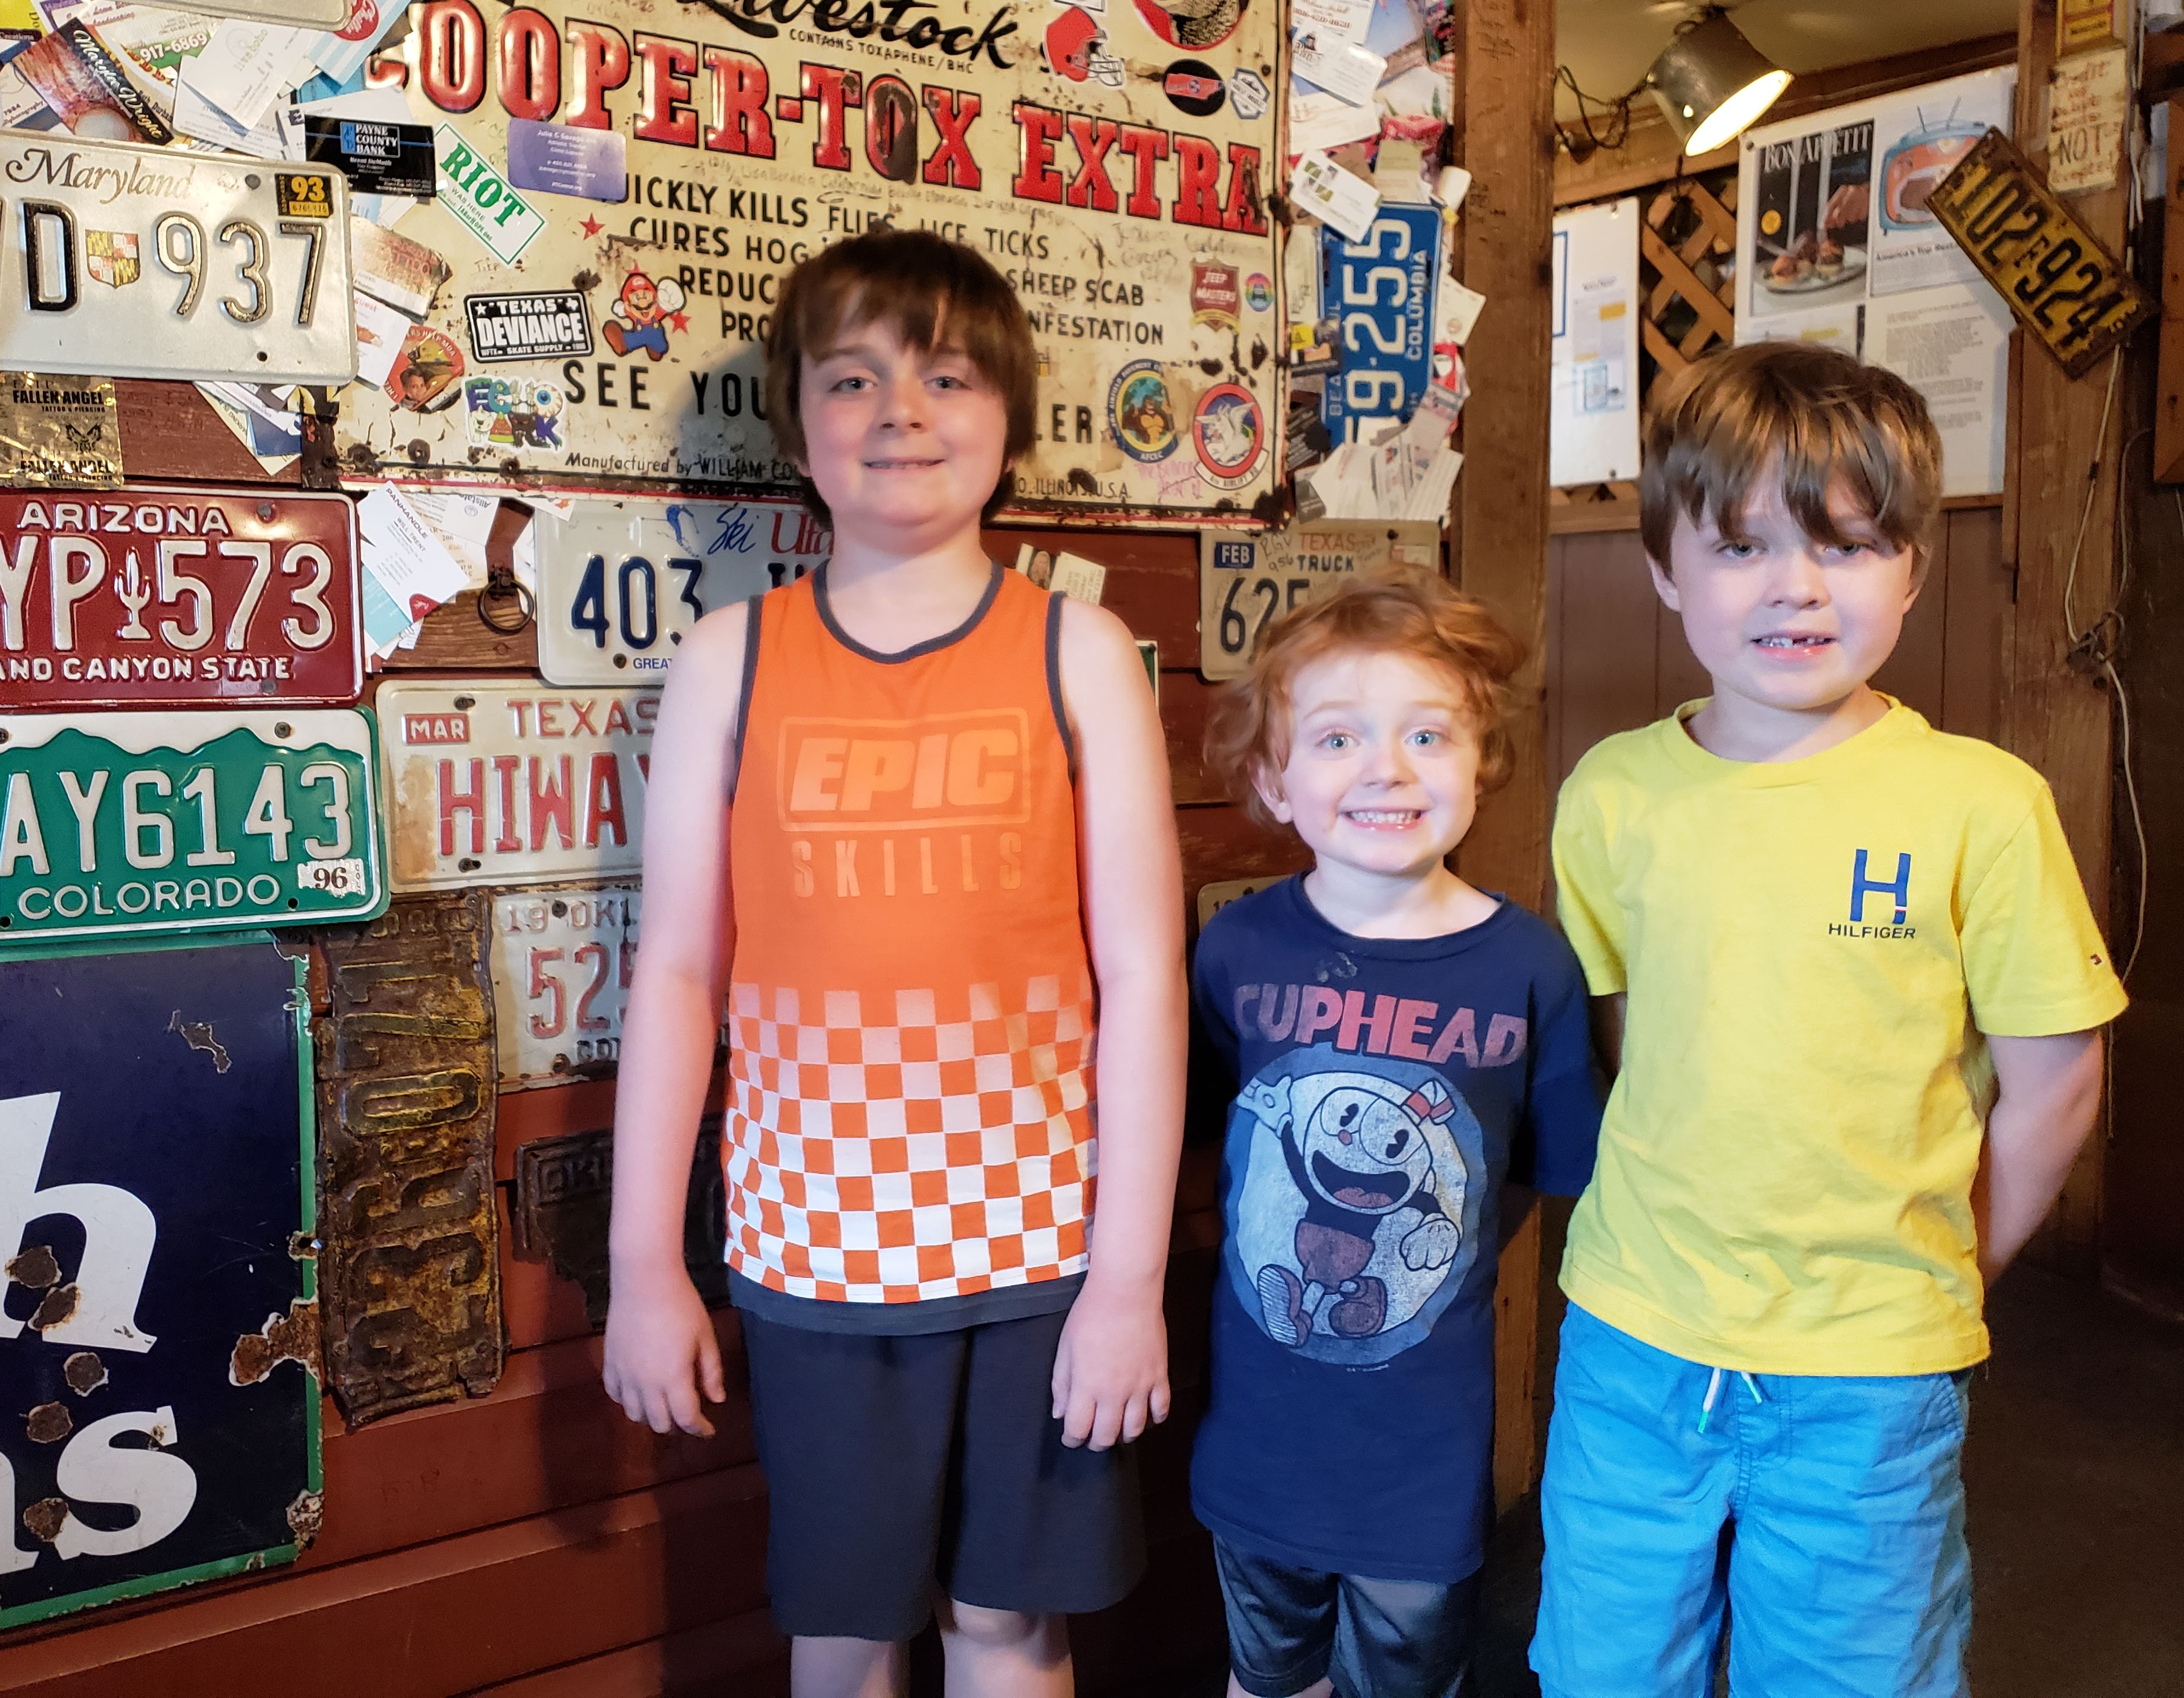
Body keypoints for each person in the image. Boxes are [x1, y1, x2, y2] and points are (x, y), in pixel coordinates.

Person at [601, 229, 1187, 1698]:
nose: (900, 412)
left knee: (1009, 1624)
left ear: (1011, 422)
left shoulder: (1080, 651)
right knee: (847, 1625)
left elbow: (1144, 978)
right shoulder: (729, 658)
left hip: (1044, 1252)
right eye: (853, 379)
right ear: (798, 424)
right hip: (815, 1249)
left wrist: (1126, 1282)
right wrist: (643, 1265)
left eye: (948, 377)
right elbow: (676, 976)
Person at [1530, 341, 2128, 1698]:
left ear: (1913, 569)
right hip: (1634, 1336)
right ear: (1667, 570)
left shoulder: (1984, 805)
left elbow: (2056, 1082)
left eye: (1848, 546)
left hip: (1872, 1369)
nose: (1796, 586)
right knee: (1605, 1669)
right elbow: (1626, 1042)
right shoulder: (1611, 794)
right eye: (1742, 546)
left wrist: (1950, 1268)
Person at [1191, 565, 1603, 1698]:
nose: (1388, 768)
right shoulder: (1234, 951)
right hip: (1261, 1436)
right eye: (1338, 739)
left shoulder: (1532, 967)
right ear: (1273, 780)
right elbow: (1217, 1146)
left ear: (1482, 762)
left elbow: (1532, 1179)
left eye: (1429, 734)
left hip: (1423, 1448)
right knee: (1267, 1677)